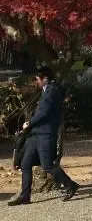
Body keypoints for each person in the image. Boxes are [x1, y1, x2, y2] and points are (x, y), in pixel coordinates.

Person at [9, 66, 79, 207]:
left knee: (47, 165)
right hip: (37, 133)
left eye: (38, 79)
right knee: (25, 163)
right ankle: (25, 195)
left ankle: (70, 185)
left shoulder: (52, 91)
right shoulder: (47, 90)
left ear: (45, 79)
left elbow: (44, 112)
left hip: (45, 133)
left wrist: (29, 123)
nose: (36, 82)